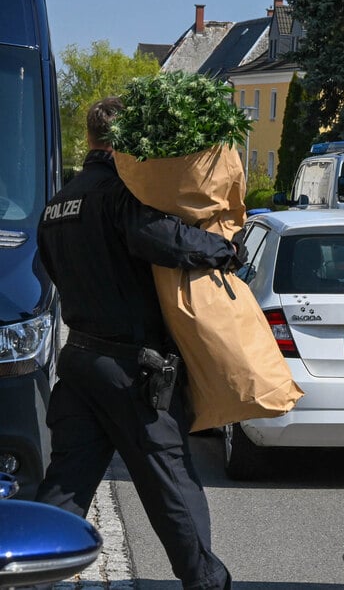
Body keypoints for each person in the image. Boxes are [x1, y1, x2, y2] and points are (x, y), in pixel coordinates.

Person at [33, 97, 239, 590]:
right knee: (172, 485)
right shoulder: (118, 193)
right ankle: (208, 583)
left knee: (66, 486)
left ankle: (26, 575)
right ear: (126, 142)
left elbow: (54, 273)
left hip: (80, 363)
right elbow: (165, 238)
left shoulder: (58, 204)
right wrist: (223, 249)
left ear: (88, 139)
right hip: (132, 370)